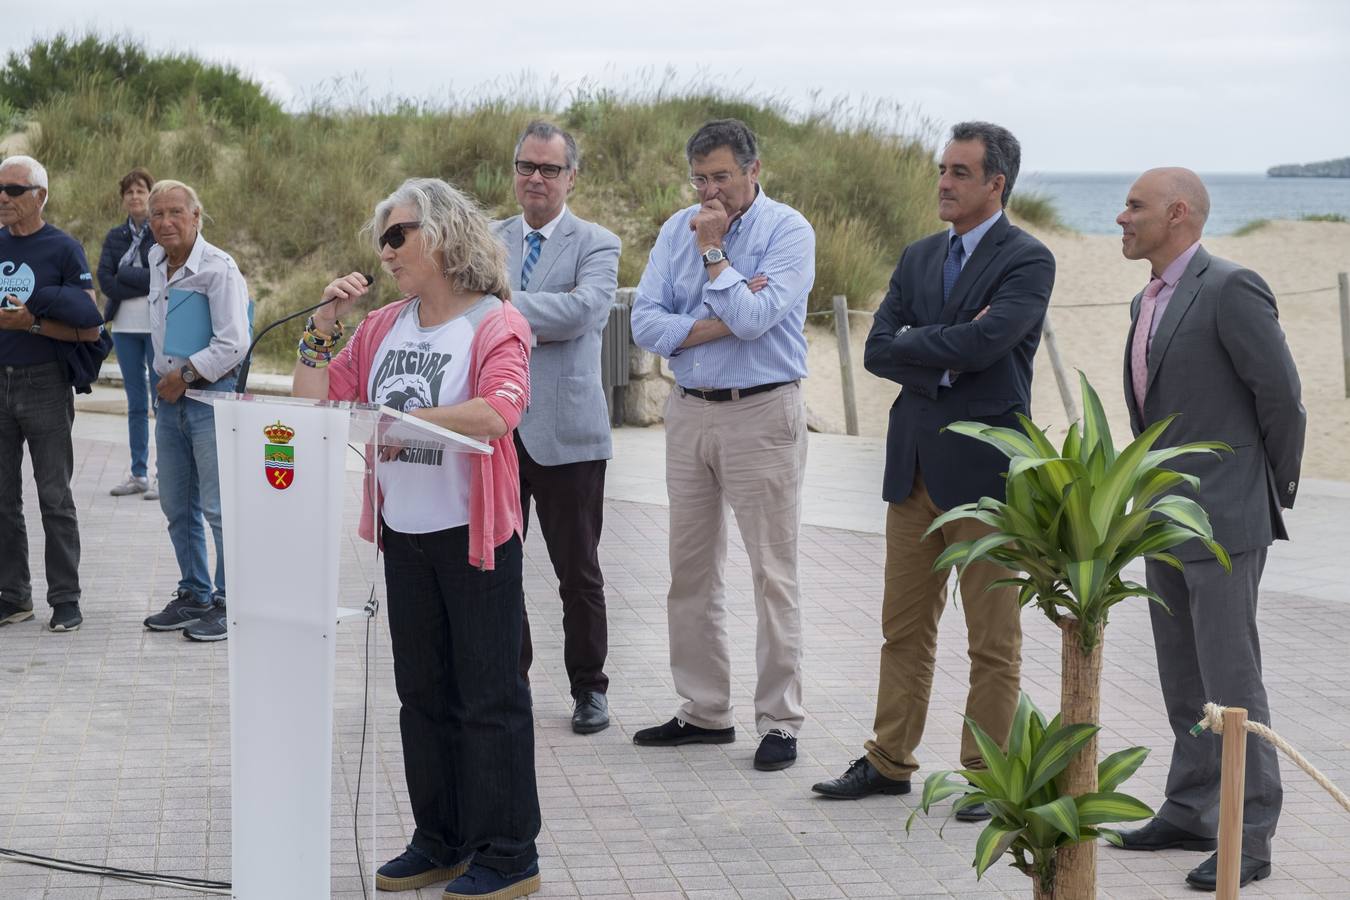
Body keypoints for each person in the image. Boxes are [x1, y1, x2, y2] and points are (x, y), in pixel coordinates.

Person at [293, 178, 540, 899]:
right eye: (382, 238)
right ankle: (441, 839)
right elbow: (316, 401)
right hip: (405, 536)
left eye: (399, 235)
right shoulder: (382, 327)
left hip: (474, 538)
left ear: (443, 235)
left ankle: (508, 853)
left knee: (489, 697)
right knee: (422, 694)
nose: (387, 250)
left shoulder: (495, 323)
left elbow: (499, 413)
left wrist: (406, 418)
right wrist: (323, 324)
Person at [813, 122, 1055, 816]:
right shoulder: (919, 255)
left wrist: (925, 345)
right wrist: (938, 349)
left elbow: (989, 343)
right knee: (904, 629)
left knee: (993, 641)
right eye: (941, 170)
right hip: (913, 471)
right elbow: (877, 350)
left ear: (995, 185)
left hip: (986, 477)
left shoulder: (1027, 259)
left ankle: (989, 776)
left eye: (959, 172)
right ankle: (889, 761)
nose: (943, 183)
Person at [1111, 168, 1304, 891]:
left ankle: (1248, 836)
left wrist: (1261, 493)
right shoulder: (1144, 298)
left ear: (1178, 214)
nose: (1122, 217)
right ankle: (1190, 807)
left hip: (1225, 520)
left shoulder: (1231, 287)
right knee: (1183, 679)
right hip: (1160, 518)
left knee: (1232, 684)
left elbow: (1282, 399)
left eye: (1135, 206)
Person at [630, 118, 815, 772]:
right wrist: (718, 322)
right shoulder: (671, 229)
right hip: (689, 412)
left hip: (761, 411)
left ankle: (780, 722)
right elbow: (645, 323)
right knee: (690, 569)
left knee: (772, 572)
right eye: (701, 178)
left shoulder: (788, 231)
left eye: (723, 178)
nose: (711, 192)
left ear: (753, 170)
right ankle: (705, 711)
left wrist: (715, 254)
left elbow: (759, 319)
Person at [493, 121, 621, 735]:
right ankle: (507, 682)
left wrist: (497, 303)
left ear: (572, 176)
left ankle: (589, 688)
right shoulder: (485, 239)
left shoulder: (598, 243)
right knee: (495, 566)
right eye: (526, 166)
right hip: (496, 428)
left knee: (579, 572)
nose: (535, 179)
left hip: (569, 434)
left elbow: (581, 312)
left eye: (549, 169)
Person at [141, 180, 249, 642]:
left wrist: (184, 375)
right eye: (156, 215)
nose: (165, 222)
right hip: (168, 398)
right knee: (176, 505)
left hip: (208, 395)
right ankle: (194, 594)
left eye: (175, 213)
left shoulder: (219, 269)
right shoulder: (154, 261)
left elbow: (235, 342)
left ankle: (231, 603)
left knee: (219, 507)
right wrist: (168, 382)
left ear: (196, 216)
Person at [0, 154, 105, 633]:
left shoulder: (63, 249)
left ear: (40, 196)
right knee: (2, 500)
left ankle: (65, 599)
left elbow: (88, 330)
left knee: (54, 497)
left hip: (43, 381)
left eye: (14, 190)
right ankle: (14, 596)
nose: (4, 198)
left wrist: (33, 323)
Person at [97, 167, 160, 500]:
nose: (135, 197)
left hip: (155, 328)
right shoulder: (114, 237)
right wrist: (133, 278)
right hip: (123, 327)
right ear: (123, 199)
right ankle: (138, 473)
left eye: (141, 191)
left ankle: (165, 474)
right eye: (129, 192)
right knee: (136, 404)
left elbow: (158, 279)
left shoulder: (161, 233)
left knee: (160, 401)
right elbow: (105, 280)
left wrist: (127, 276)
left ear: (150, 196)